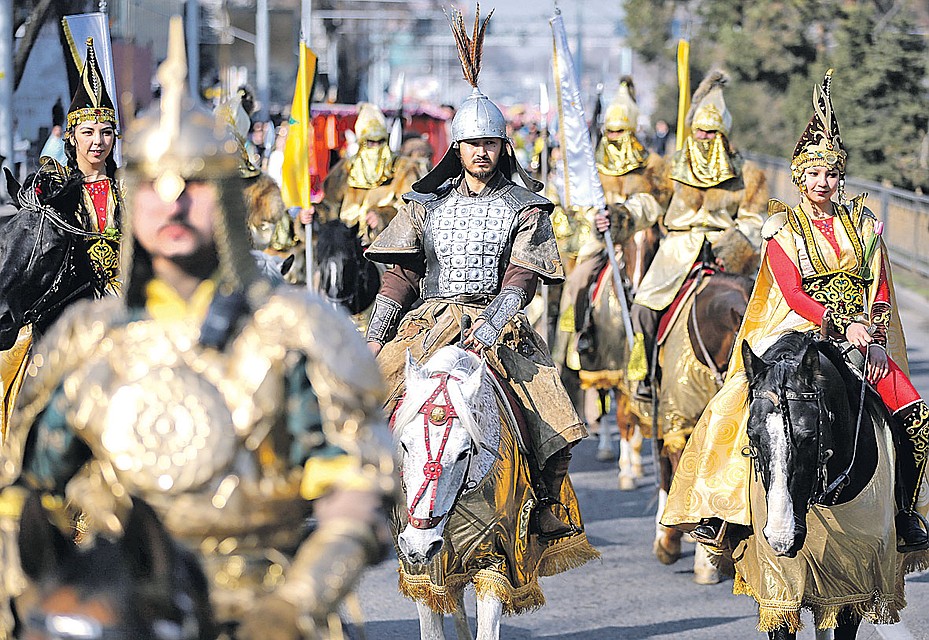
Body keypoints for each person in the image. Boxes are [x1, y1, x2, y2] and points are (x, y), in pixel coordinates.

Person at [0, 19, 396, 640]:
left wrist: (296, 603)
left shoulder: (293, 331)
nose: (173, 201)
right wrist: (29, 597)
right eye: (154, 185)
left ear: (228, 198)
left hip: (262, 603)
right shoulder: (86, 341)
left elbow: (357, 486)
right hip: (117, 602)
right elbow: (25, 491)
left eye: (193, 183)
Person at [661, 69, 929, 553]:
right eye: (812, 174)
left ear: (839, 177)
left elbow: (881, 284)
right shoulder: (783, 228)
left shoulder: (865, 225)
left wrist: (872, 332)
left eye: (830, 174)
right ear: (800, 178)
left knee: (915, 414)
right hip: (800, 326)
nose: (821, 182)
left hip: (863, 336)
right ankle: (728, 514)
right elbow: (793, 291)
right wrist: (840, 323)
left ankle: (906, 513)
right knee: (740, 401)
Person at [363, 9, 587, 541]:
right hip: (431, 319)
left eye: (490, 144)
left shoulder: (525, 205)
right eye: (472, 144)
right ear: (456, 148)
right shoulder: (425, 202)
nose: (481, 152)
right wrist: (377, 333)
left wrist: (489, 328)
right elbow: (401, 276)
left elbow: (522, 277)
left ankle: (544, 504)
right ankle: (371, 494)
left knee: (549, 407)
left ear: (502, 146)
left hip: (497, 321)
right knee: (370, 394)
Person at [627, 70, 768, 401]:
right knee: (643, 308)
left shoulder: (747, 174)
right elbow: (649, 203)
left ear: (724, 135)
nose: (704, 137)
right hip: (676, 253)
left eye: (711, 132)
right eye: (700, 131)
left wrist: (731, 244)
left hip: (726, 256)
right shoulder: (672, 167)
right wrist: (622, 216)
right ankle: (645, 376)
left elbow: (752, 220)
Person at [556, 76, 669, 393]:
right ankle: (577, 341)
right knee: (577, 280)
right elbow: (581, 207)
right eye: (611, 130)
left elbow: (654, 204)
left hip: (638, 239)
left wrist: (623, 216)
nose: (614, 136)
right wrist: (596, 219)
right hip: (599, 241)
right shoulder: (593, 167)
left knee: (652, 294)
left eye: (620, 131)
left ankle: (650, 359)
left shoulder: (651, 166)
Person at [20, 37, 121, 293]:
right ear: (72, 137)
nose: (98, 141)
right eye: (88, 132)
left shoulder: (128, 185)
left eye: (106, 132)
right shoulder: (57, 188)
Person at [315, 103, 398, 242]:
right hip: (348, 241)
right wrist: (313, 214)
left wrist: (383, 218)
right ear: (361, 142)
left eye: (380, 142)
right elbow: (330, 207)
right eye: (370, 142)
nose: (375, 147)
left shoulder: (400, 168)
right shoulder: (345, 169)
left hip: (385, 245)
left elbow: (408, 211)